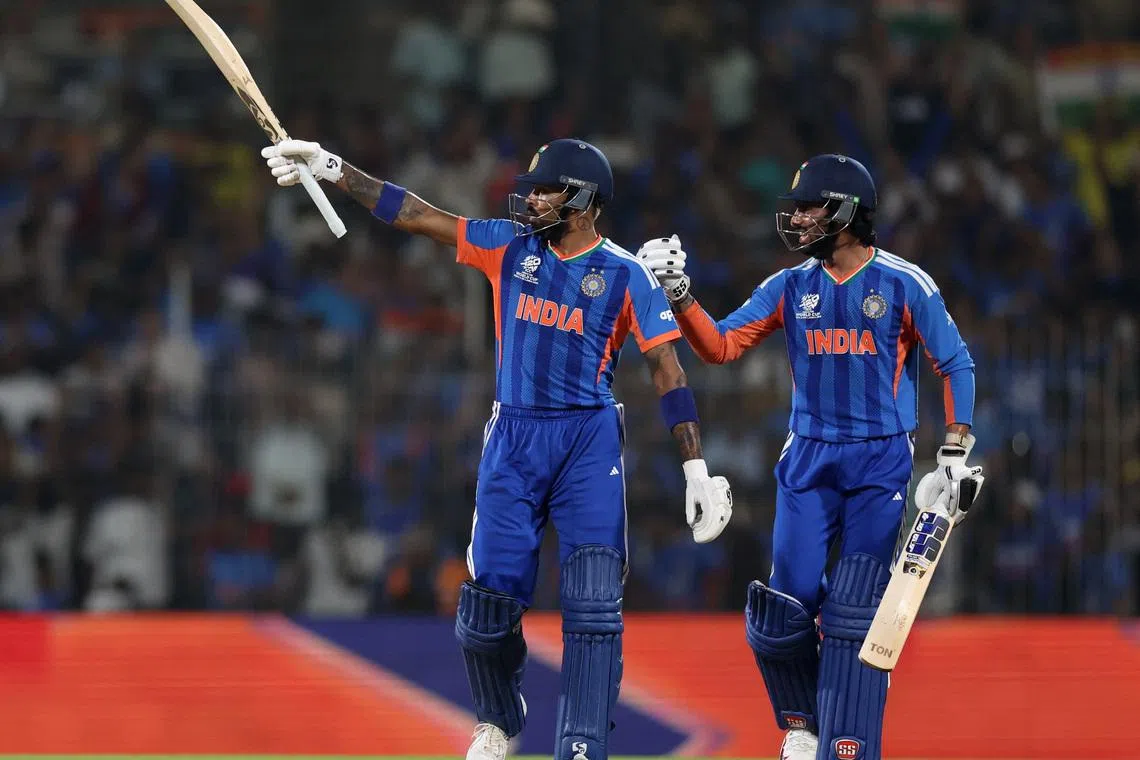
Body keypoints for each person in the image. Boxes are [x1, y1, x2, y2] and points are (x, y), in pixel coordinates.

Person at [261, 137, 732, 760]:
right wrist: (331, 167)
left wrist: (695, 469)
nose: (530, 200)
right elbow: (416, 214)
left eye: (546, 191)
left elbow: (667, 370)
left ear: (584, 201)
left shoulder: (628, 275)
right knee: (486, 608)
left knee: (594, 603)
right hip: (514, 436)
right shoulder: (509, 246)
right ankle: (499, 721)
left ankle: (583, 744)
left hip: (588, 442)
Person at [637, 154, 984, 760]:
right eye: (795, 209)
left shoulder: (904, 283)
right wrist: (679, 295)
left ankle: (847, 741)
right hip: (808, 458)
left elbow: (955, 363)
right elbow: (721, 346)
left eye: (809, 208)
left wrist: (953, 451)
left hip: (880, 460)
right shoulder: (789, 285)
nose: (796, 219)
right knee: (783, 607)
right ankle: (803, 724)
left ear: (847, 213)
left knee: (853, 610)